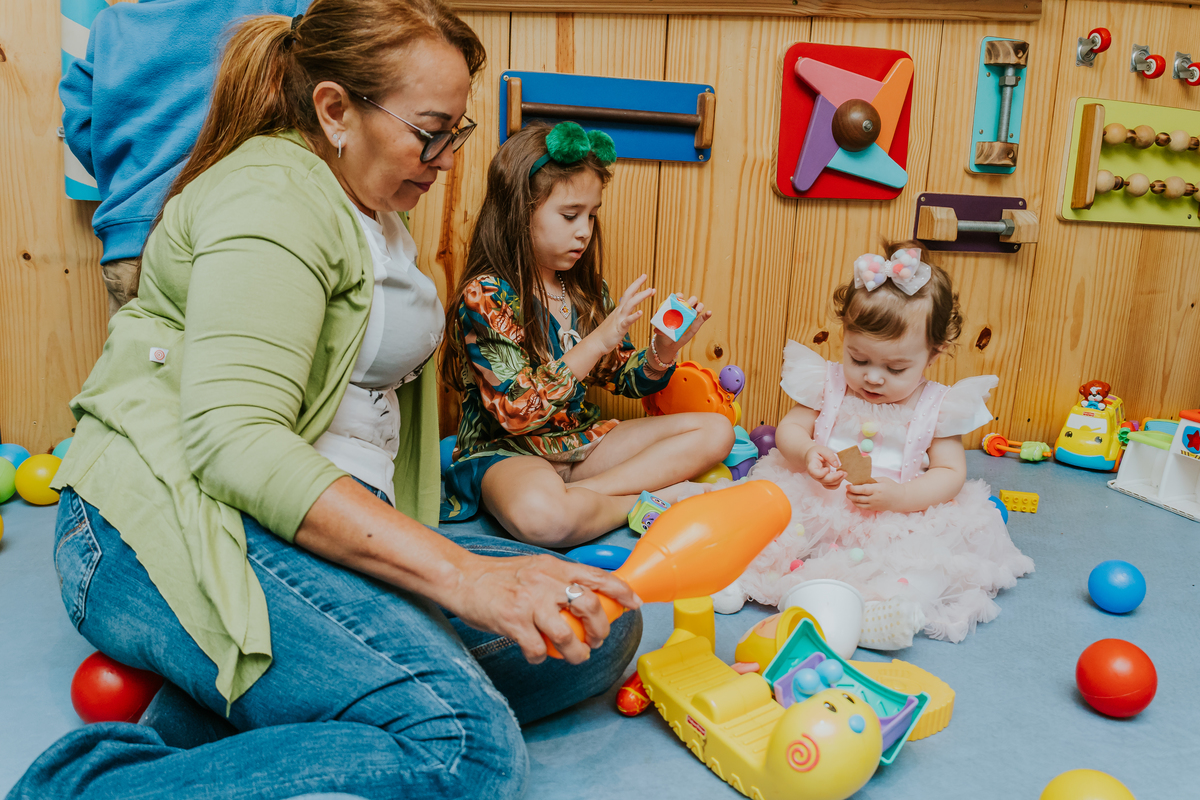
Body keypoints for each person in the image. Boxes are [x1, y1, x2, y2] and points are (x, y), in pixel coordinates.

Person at [12, 3, 642, 798]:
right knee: (466, 752)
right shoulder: (271, 203)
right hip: (166, 526)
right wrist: (461, 577)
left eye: (457, 131)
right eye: (430, 130)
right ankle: (91, 785)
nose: (446, 159)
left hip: (298, 531)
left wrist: (461, 572)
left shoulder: (371, 204)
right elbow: (234, 444)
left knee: (594, 623)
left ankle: (232, 706)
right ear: (337, 110)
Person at [716, 245, 1034, 644]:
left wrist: (901, 496)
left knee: (922, 565)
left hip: (896, 514)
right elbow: (790, 431)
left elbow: (951, 473)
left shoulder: (938, 404)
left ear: (933, 355)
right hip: (818, 500)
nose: (873, 378)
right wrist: (808, 452)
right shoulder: (827, 382)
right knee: (765, 530)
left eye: (895, 368)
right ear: (844, 338)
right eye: (859, 359)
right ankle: (741, 579)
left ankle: (877, 613)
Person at [440, 122, 735, 546]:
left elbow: (623, 378)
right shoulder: (487, 295)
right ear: (520, 212)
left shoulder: (583, 290)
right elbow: (516, 410)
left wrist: (661, 353)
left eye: (591, 215)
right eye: (569, 215)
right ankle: (651, 500)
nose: (584, 230)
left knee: (717, 430)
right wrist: (597, 339)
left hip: (581, 444)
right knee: (543, 518)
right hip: (507, 452)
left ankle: (582, 496)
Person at [60, 0, 310, 317]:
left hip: (130, 245)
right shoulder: (277, 5)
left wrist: (130, 181)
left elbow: (80, 121)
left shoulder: (111, 24)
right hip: (236, 236)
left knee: (136, 363)